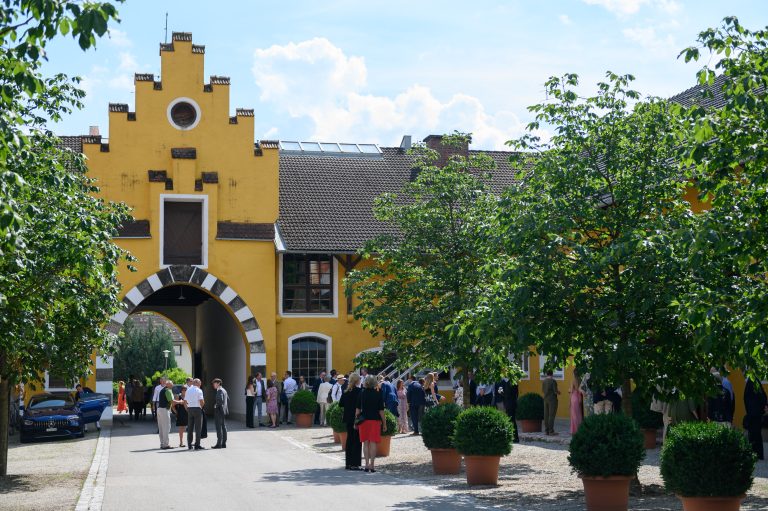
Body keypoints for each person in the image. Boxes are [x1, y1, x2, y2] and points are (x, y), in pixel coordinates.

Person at [356, 374, 386, 473]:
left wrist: (355, 421)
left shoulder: (361, 393)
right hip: (375, 420)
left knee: (365, 443)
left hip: (363, 420)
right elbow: (381, 410)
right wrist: (384, 423)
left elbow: (357, 410)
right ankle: (372, 465)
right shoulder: (378, 393)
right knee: (373, 442)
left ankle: (366, 464)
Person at [340, 373, 362, 470]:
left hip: (348, 417)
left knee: (349, 439)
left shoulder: (346, 392)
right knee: (357, 440)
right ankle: (355, 463)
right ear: (357, 381)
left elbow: (340, 404)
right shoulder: (360, 391)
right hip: (357, 418)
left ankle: (348, 463)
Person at [744, 377, 767, 460]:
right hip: (756, 414)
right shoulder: (755, 382)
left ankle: (754, 454)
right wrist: (762, 408)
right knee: (756, 434)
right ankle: (758, 454)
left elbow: (746, 398)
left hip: (752, 414)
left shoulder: (751, 382)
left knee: (753, 434)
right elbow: (763, 396)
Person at [184, 378, 205, 450]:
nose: (200, 384)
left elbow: (185, 401)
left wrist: (187, 409)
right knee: (198, 428)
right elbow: (201, 401)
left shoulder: (188, 390)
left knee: (190, 428)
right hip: (197, 409)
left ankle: (189, 445)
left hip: (190, 409)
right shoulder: (199, 390)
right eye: (200, 383)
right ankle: (197, 444)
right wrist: (201, 408)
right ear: (197, 383)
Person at [499, 377, 520, 443]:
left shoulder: (509, 382)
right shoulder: (514, 381)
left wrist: (501, 392)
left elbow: (507, 394)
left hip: (509, 404)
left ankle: (514, 438)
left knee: (511, 420)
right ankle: (514, 437)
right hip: (512, 403)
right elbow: (517, 393)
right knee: (512, 420)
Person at [212, 378, 229, 449]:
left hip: (219, 411)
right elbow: (228, 399)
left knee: (218, 427)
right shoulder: (224, 390)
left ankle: (219, 443)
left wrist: (216, 405)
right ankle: (224, 443)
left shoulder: (219, 391)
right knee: (223, 427)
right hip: (223, 411)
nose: (213, 385)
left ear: (218, 383)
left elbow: (220, 400)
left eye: (214, 383)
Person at [156, 379, 173, 450]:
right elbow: (171, 401)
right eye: (172, 384)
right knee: (166, 427)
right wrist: (180, 402)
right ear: (168, 384)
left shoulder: (162, 390)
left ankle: (162, 443)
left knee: (161, 428)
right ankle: (166, 444)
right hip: (164, 410)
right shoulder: (167, 390)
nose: (173, 385)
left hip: (159, 409)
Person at [542, 370, 560, 436]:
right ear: (552, 374)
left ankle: (546, 430)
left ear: (547, 374)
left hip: (545, 399)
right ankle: (551, 431)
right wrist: (559, 392)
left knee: (546, 415)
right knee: (551, 415)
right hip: (552, 399)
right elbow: (555, 391)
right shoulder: (553, 381)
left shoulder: (544, 381)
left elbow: (543, 390)